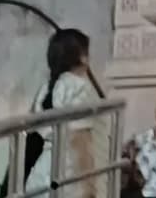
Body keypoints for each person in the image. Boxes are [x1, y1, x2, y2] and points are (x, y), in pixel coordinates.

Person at [18, 29, 106, 198]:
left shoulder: (45, 89)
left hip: (41, 173)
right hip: (68, 174)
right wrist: (89, 185)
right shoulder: (79, 87)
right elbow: (79, 139)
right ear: (82, 58)